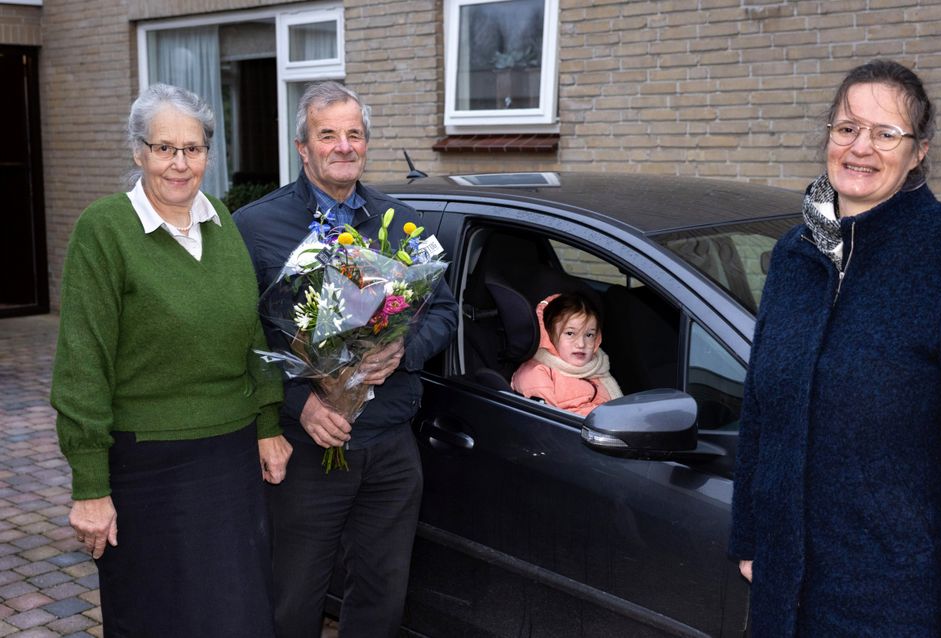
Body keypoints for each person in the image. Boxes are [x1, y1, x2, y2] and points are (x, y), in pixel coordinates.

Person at [728, 59, 941, 637]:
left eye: (886, 133)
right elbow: (762, 412)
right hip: (786, 592)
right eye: (847, 128)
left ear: (919, 152)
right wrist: (751, 538)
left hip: (898, 601)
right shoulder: (795, 254)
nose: (860, 147)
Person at [50, 83, 290, 637]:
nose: (180, 164)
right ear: (138, 152)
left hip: (230, 459)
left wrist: (268, 422)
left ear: (209, 153)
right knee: (157, 616)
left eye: (194, 148)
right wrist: (90, 484)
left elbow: (249, 329)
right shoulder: (104, 230)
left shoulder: (222, 222)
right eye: (164, 148)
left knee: (238, 615)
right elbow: (82, 365)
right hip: (147, 465)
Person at [233, 81, 458, 638]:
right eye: (327, 134)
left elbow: (444, 310)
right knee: (294, 596)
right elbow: (236, 337)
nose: (343, 146)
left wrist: (405, 350)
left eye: (353, 134)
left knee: (383, 594)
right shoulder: (257, 227)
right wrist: (298, 402)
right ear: (302, 147)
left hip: (389, 443)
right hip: (309, 444)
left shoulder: (402, 224)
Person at [511, 292, 622, 416]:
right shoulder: (536, 374)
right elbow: (546, 424)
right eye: (570, 333)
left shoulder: (597, 368)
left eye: (589, 335)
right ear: (548, 335)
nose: (581, 344)